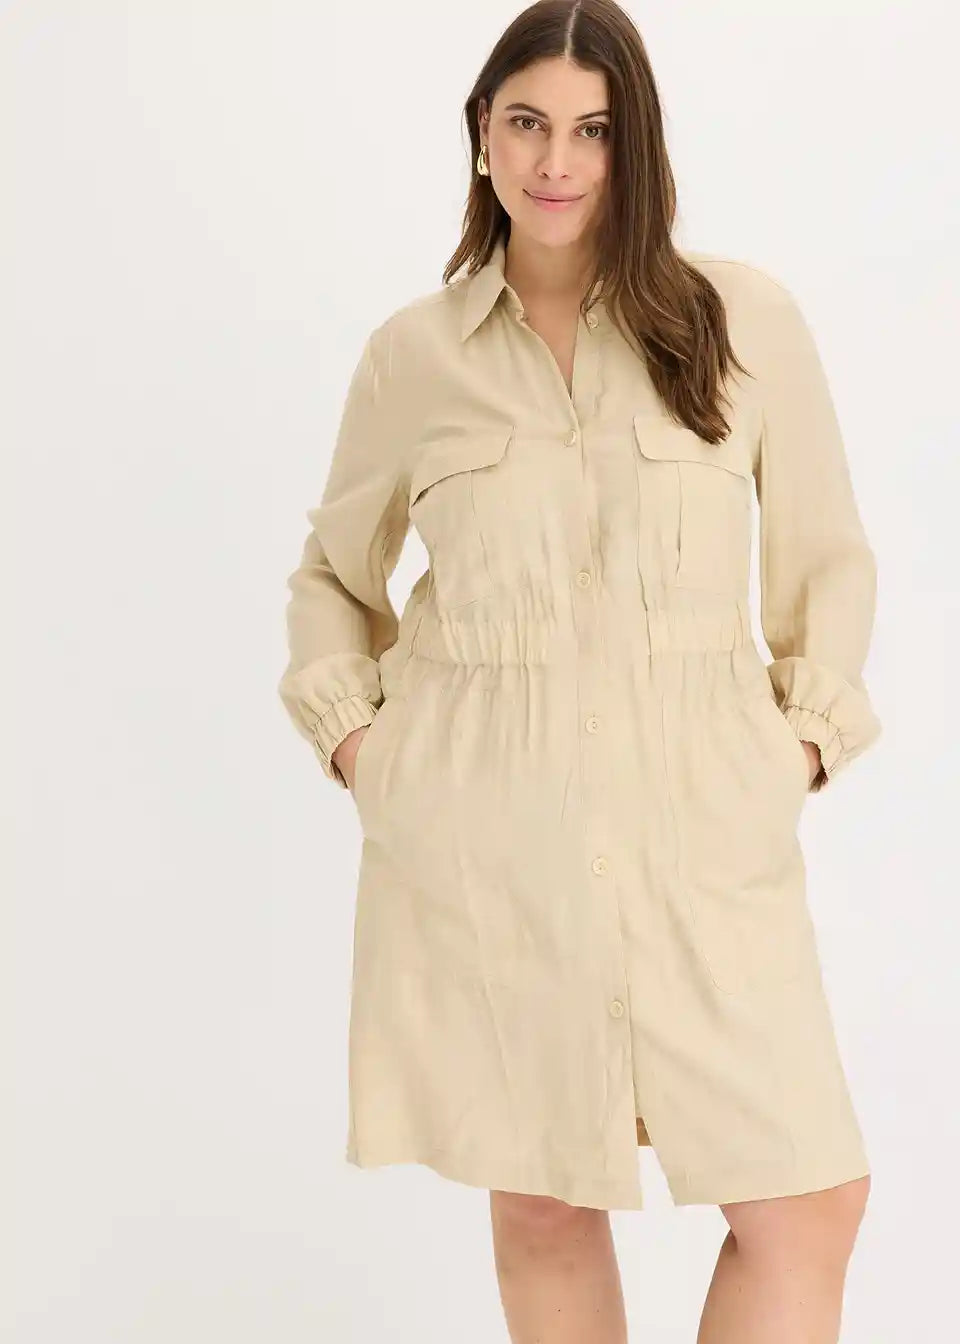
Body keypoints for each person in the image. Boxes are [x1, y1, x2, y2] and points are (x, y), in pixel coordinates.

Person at [277, 2, 882, 1339]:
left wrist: (792, 753)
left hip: (707, 841)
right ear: (482, 137)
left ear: (635, 144)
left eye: (594, 130)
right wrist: (367, 754)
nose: (558, 161)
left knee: (809, 1204)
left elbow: (829, 562)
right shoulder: (414, 356)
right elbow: (333, 579)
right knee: (546, 1203)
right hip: (491, 842)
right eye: (528, 123)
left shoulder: (741, 320)